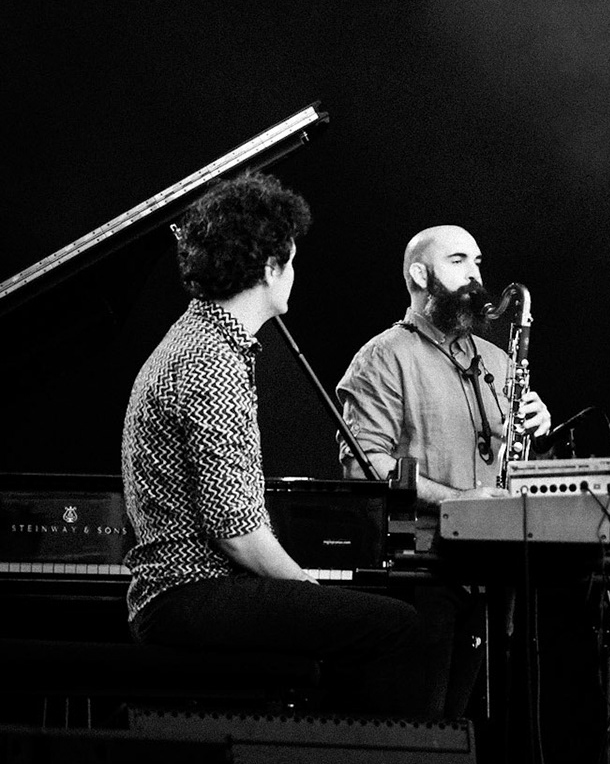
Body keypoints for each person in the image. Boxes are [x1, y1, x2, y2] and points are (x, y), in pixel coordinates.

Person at [122, 172, 430, 716]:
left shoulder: (194, 340)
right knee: (398, 626)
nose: (295, 273)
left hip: (181, 595)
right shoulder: (209, 363)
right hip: (190, 597)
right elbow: (238, 536)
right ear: (270, 268)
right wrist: (308, 587)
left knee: (355, 624)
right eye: (290, 260)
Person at [334, 223, 553, 719]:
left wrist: (535, 437)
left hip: (490, 574)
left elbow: (509, 473)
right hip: (420, 573)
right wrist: (457, 501)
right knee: (421, 730)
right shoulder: (384, 356)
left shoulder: (497, 359)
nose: (475, 276)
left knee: (465, 738)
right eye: (458, 261)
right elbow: (363, 465)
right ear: (419, 273)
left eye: (478, 262)